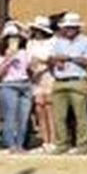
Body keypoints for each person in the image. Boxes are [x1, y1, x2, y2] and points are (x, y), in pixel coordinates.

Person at [49, 12, 87, 153]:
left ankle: (83, 144)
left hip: (77, 80)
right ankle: (61, 144)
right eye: (67, 27)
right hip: (59, 80)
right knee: (59, 116)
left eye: (72, 27)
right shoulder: (58, 41)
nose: (69, 29)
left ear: (77, 28)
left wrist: (68, 58)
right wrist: (56, 61)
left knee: (80, 115)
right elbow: (51, 58)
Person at [0, 24, 33, 154]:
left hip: (25, 83)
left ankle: (20, 144)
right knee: (9, 116)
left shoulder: (24, 53)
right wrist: (9, 58)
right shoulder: (0, 56)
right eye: (11, 38)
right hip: (8, 85)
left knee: (24, 116)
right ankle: (11, 144)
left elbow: (30, 68)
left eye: (16, 37)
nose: (14, 40)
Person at [26, 16, 57, 150]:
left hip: (49, 76)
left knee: (50, 108)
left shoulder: (53, 42)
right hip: (35, 78)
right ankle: (45, 141)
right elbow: (28, 61)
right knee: (39, 109)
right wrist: (32, 69)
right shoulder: (30, 43)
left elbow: (54, 60)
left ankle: (54, 140)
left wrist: (42, 62)